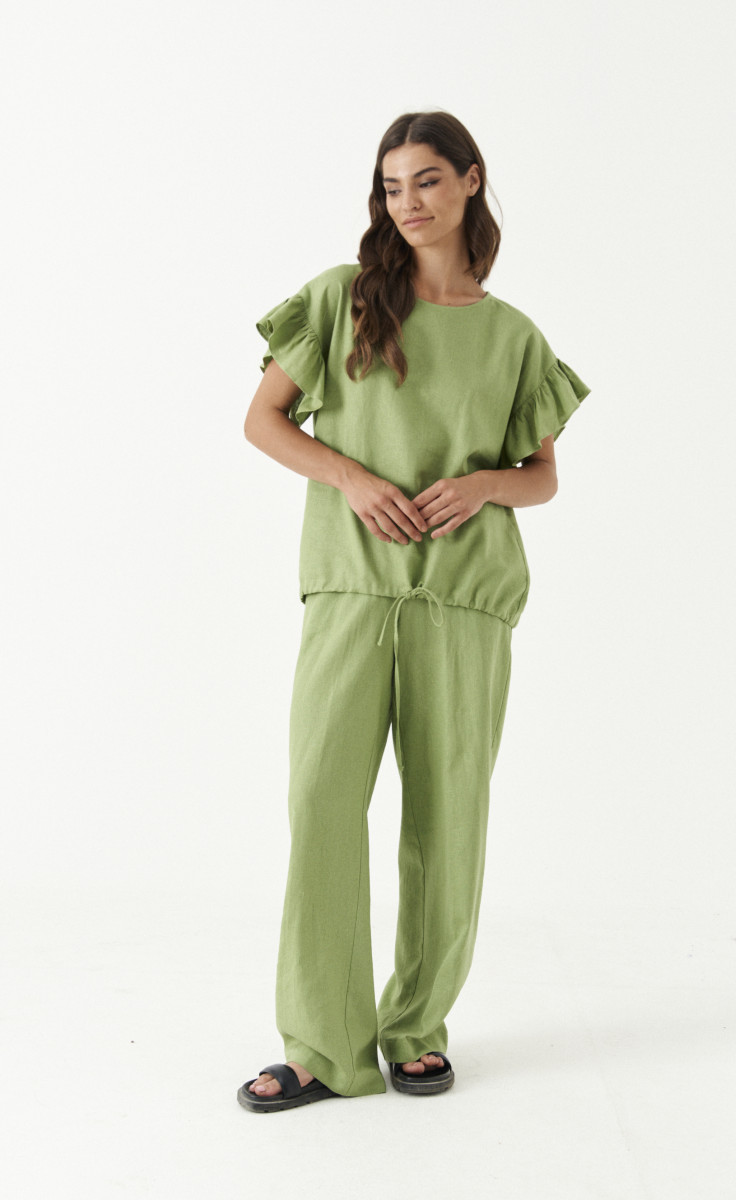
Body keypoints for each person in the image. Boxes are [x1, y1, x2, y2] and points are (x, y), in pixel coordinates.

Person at [237, 110, 591, 1113]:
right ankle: (322, 1047)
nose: (408, 203)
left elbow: (541, 478)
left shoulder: (513, 337)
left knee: (447, 815)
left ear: (470, 180)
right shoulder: (342, 299)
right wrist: (348, 477)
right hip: (351, 588)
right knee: (320, 801)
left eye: (427, 180)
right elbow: (263, 420)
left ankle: (416, 1027)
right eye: (392, 187)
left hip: (464, 600)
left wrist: (483, 485)